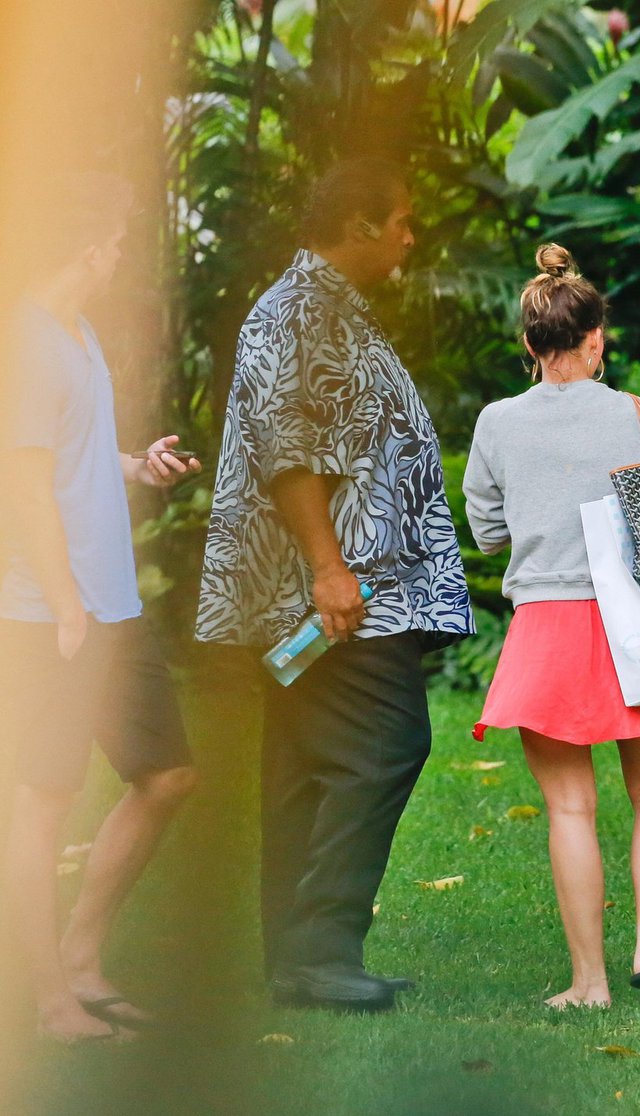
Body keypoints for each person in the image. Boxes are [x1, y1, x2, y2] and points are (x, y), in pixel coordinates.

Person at [196, 158, 473, 1012]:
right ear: (358, 224)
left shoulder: (324, 308)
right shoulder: (299, 313)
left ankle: (300, 961)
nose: (410, 237)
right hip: (343, 594)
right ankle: (318, 947)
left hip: (338, 589)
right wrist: (328, 570)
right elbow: (288, 454)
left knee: (306, 766)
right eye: (401, 220)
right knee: (387, 744)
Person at [464, 244, 640, 1009]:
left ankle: (588, 983)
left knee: (570, 807)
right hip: (631, 622)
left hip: (546, 626)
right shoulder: (634, 414)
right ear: (595, 338)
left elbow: (487, 533)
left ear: (529, 343)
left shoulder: (497, 422)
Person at [1, 173, 201, 1043]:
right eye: (117, 243)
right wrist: (66, 607)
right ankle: (49, 1004)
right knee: (43, 802)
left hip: (107, 605)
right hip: (52, 614)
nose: (121, 256)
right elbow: (25, 488)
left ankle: (81, 959)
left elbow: (69, 455)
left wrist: (134, 465)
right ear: (87, 250)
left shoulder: (73, 333)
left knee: (167, 776)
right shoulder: (26, 343)